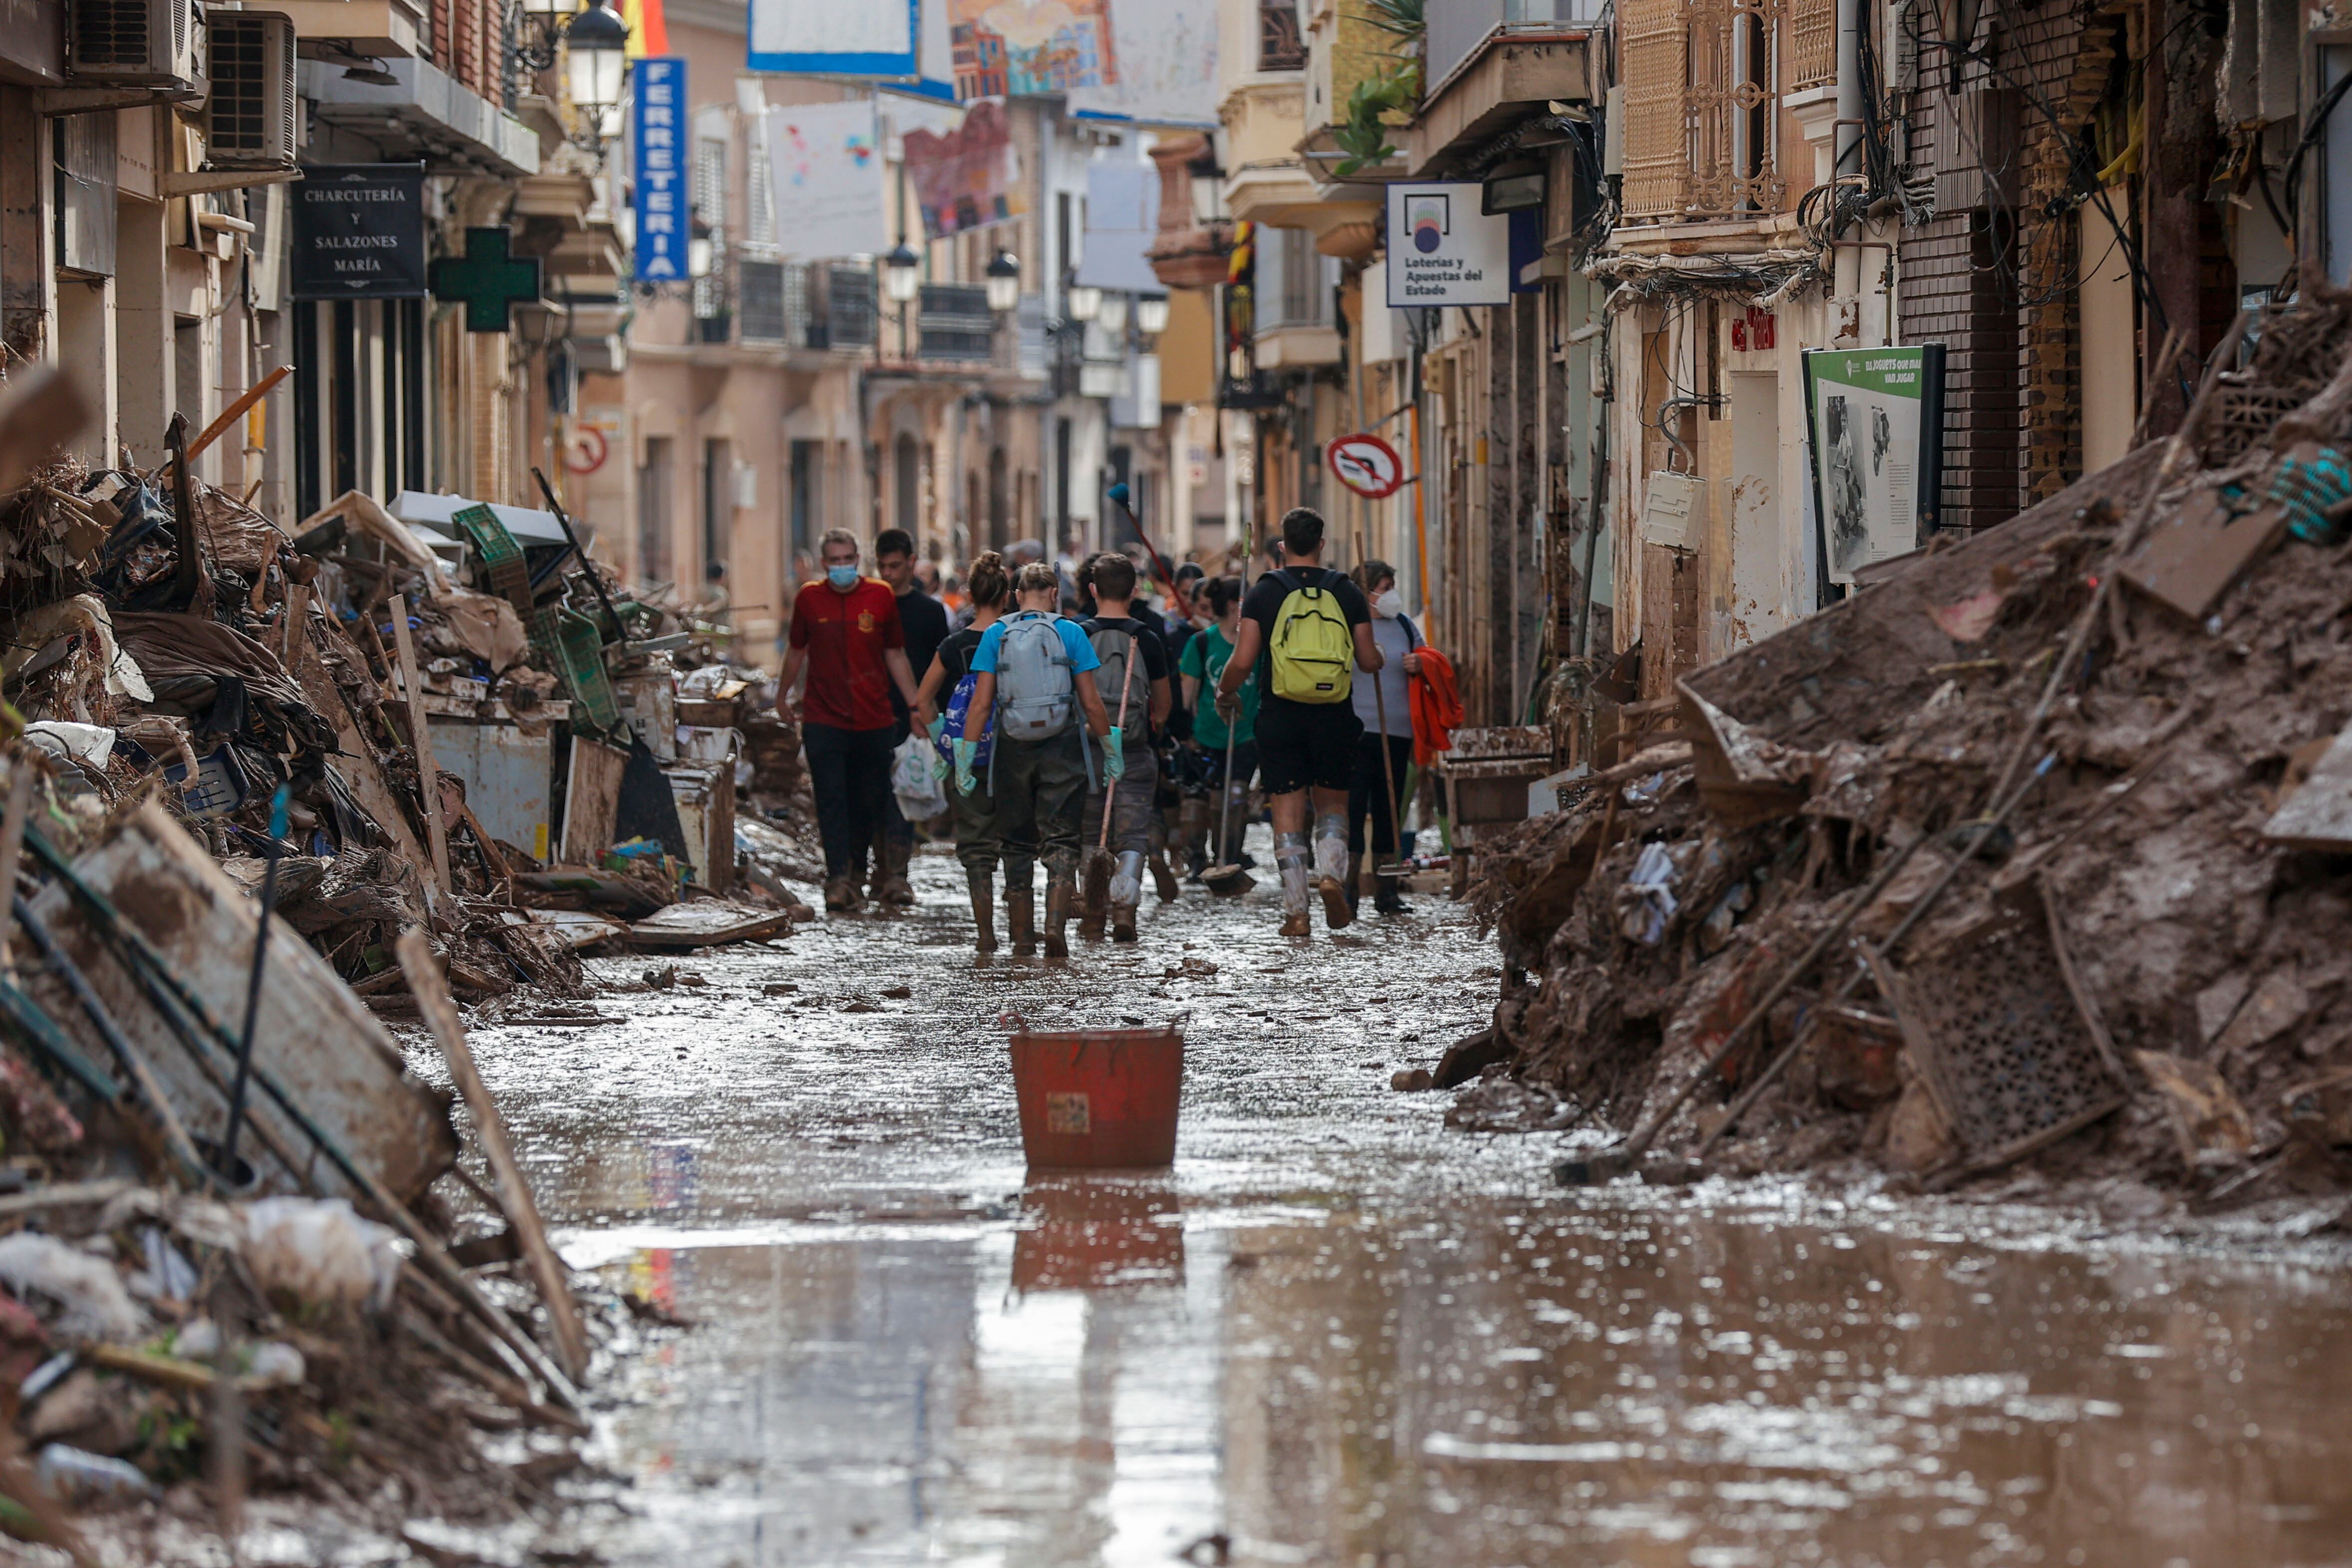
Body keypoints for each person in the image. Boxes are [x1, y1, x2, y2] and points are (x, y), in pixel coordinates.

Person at [1213, 508, 1382, 937]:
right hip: (1334, 714)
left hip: (1281, 715)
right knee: (1333, 806)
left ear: (1283, 547)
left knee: (1287, 813)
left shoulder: (1265, 591)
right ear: (1322, 543)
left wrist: (1224, 690)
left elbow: (1243, 660)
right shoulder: (1345, 590)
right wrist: (1379, 656)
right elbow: (1367, 660)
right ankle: (1330, 875)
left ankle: (1297, 912)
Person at [958, 562, 1118, 958]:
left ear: (1015, 596)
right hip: (1062, 745)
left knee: (1015, 841)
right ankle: (1055, 927)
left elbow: (980, 705)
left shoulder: (996, 634)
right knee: (1062, 837)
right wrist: (1109, 748)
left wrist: (964, 759)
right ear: (1053, 594)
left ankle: (1022, 937)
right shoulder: (1070, 632)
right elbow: (1092, 702)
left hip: (1012, 747)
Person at [778, 528, 922, 913]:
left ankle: (866, 874)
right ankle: (838, 879)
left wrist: (915, 705)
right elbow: (796, 651)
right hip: (824, 717)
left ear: (858, 560)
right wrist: (782, 695)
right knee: (830, 800)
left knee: (869, 799)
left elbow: (895, 655)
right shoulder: (809, 599)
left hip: (873, 718)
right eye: (835, 561)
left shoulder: (880, 597)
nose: (842, 567)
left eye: (848, 559)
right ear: (824, 563)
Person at [913, 551, 1016, 953]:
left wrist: (946, 745)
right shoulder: (1016, 638)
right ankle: (1023, 934)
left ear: (970, 594)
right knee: (1016, 842)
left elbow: (924, 701)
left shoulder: (954, 645)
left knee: (976, 846)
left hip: (966, 759)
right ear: (1007, 595)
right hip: (1015, 754)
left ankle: (986, 934)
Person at [1075, 553, 1172, 942]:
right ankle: (1125, 911)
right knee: (1133, 834)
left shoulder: (1078, 634)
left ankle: (1093, 913)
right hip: (1134, 750)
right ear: (1134, 590)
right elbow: (1164, 707)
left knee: (1088, 834)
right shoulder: (1147, 637)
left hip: (1088, 751)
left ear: (1093, 590)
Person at [870, 528, 950, 907]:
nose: (889, 574)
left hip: (913, 718)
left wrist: (936, 717)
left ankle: (896, 875)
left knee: (904, 793)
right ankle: (877, 870)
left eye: (896, 566)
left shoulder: (929, 611)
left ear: (911, 563)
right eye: (883, 566)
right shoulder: (868, 606)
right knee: (872, 795)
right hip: (870, 712)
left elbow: (942, 664)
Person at [1346, 559, 1423, 916]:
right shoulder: (1347, 627)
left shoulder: (1404, 626)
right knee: (1352, 808)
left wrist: (1420, 666)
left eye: (1392, 586)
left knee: (1388, 812)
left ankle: (1386, 892)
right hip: (1357, 733)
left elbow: (1428, 660)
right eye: (1384, 587)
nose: (1391, 594)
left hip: (1397, 733)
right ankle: (1347, 889)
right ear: (1365, 592)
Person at [1178, 574, 1257, 874]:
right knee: (1207, 802)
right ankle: (1197, 861)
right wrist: (1185, 734)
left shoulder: (1256, 644)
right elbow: (1188, 693)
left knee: (1237, 800)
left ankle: (1229, 859)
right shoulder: (1201, 643)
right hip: (1208, 734)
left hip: (1246, 734)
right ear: (1233, 605)